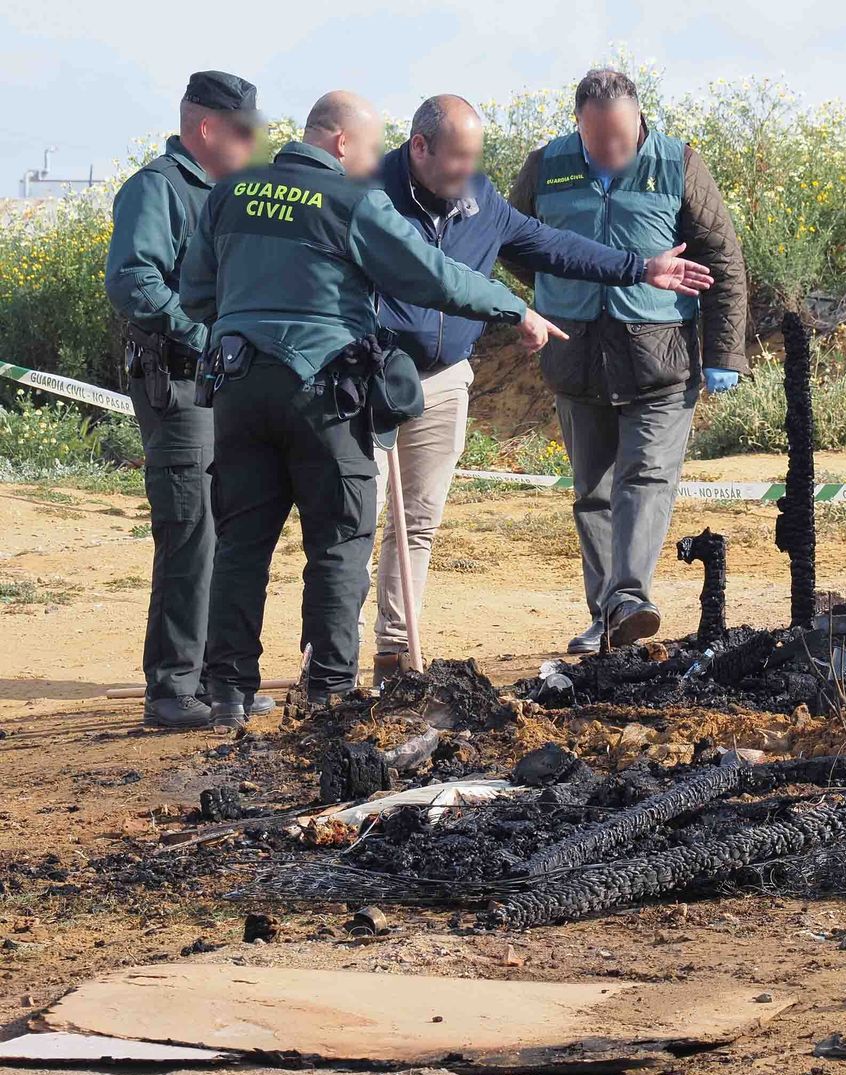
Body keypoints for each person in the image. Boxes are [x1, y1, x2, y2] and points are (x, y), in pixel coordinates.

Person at [179, 90, 564, 727]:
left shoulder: (231, 194)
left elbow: (196, 293)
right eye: (368, 147)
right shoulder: (354, 200)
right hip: (323, 395)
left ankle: (228, 691)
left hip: (240, 390)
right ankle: (330, 692)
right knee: (338, 542)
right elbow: (432, 277)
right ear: (339, 143)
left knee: (242, 544)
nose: (373, 161)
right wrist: (512, 307)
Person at [370, 95, 713, 686]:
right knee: (355, 518)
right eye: (456, 159)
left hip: (445, 380)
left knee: (417, 522)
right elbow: (426, 272)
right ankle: (323, 662)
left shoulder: (478, 197)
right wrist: (513, 310)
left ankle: (396, 655)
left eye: (474, 158)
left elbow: (552, 246)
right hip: (369, 376)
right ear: (418, 147)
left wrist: (639, 267)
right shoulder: (370, 194)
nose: (467, 173)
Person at [509, 67, 749, 655]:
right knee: (592, 489)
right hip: (576, 354)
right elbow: (513, 242)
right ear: (578, 127)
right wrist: (555, 292)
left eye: (620, 139)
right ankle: (608, 616)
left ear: (639, 119)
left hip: (660, 354)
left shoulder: (679, 164)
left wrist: (723, 352)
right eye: (598, 142)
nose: (611, 152)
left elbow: (723, 259)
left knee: (645, 477)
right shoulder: (545, 164)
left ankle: (630, 598)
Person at [104, 70, 269, 728]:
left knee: (227, 532)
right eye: (243, 131)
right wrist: (203, 336)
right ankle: (174, 690)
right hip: (179, 382)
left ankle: (216, 681)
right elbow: (134, 279)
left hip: (227, 387)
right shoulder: (157, 188)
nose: (254, 144)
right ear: (206, 128)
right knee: (190, 533)